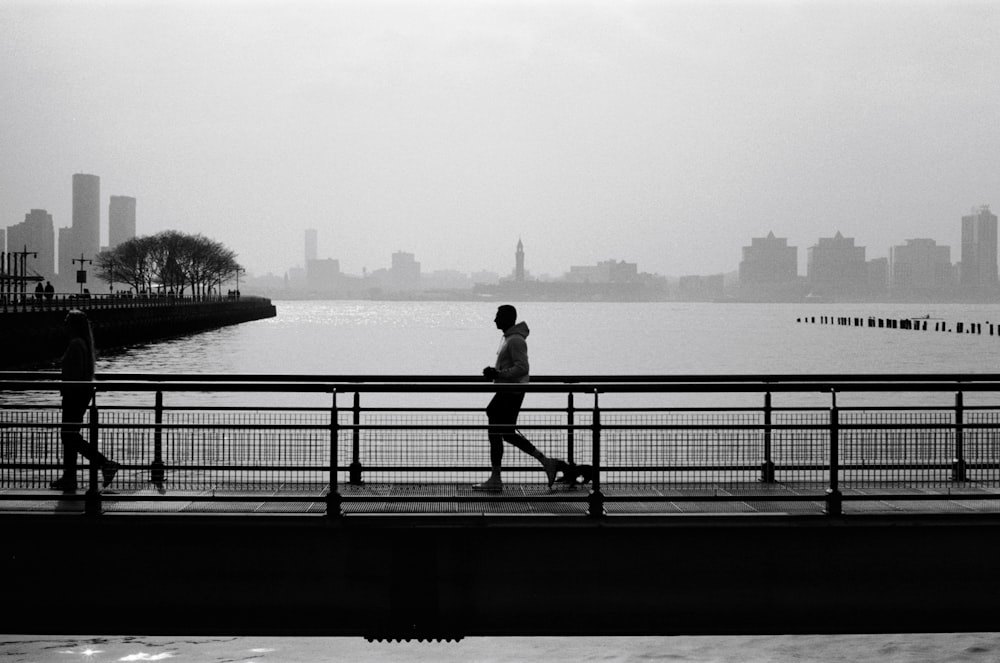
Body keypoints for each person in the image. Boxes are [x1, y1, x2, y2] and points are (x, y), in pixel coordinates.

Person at [474, 305, 562, 491]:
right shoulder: (510, 339)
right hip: (509, 390)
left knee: (499, 431)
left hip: (511, 392)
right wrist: (497, 373)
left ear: (507, 318)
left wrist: (498, 373)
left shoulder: (515, 341)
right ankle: (544, 462)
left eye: (498, 316)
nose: (495, 320)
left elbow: (522, 368)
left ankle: (497, 478)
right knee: (503, 431)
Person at [49, 310, 119, 492]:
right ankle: (70, 476)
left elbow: (75, 374)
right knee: (70, 435)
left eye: (67, 321)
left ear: (73, 325)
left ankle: (104, 463)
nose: (64, 325)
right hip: (81, 395)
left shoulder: (75, 344)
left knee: (68, 435)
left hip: (74, 396)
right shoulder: (85, 344)